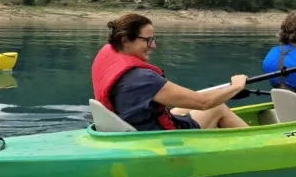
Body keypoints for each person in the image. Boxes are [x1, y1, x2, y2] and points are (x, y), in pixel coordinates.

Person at [91, 13, 250, 131]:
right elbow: (203, 102)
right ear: (125, 41)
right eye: (148, 40)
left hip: (132, 122)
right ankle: (255, 144)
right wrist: (236, 86)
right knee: (217, 107)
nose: (153, 46)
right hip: (156, 136)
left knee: (180, 109)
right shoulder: (142, 78)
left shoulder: (110, 56)